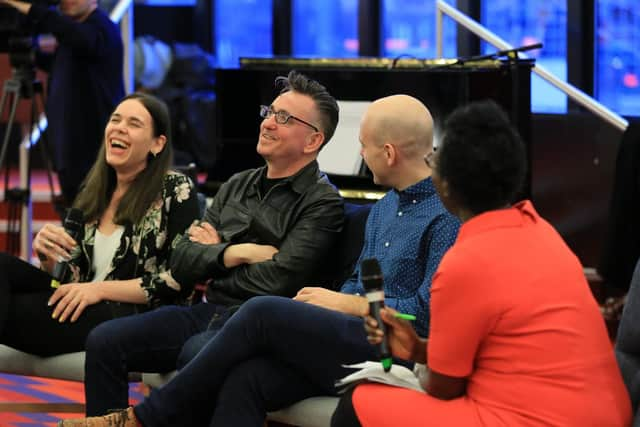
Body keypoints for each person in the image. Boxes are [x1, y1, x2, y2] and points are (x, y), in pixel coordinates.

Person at [59, 94, 460, 427]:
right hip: (340, 333)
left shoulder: (446, 215)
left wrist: (348, 303)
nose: (359, 153)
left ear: (388, 153)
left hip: (398, 351)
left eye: (364, 146)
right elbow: (184, 258)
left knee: (262, 311)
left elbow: (428, 315)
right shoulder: (385, 207)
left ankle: (144, 420)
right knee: (245, 379)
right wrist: (237, 255)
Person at [331, 100, 632, 427]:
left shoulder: (463, 261)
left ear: (446, 184)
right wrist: (418, 349)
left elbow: (443, 388)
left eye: (435, 160)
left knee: (359, 403)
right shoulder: (542, 230)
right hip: (606, 412)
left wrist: (416, 356)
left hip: (535, 418)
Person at [72, 70, 346, 417]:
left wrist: (211, 257)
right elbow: (182, 259)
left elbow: (278, 282)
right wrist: (234, 254)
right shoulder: (237, 183)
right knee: (105, 340)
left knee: (196, 352)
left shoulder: (322, 203)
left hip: (253, 327)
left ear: (312, 141)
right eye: (269, 112)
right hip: (206, 309)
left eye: (284, 118)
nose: (268, 123)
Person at [0, 92, 200, 360]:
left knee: (15, 311)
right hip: (83, 304)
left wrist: (98, 289)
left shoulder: (175, 189)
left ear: (157, 144)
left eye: (134, 123)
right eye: (115, 119)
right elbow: (73, 278)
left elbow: (178, 279)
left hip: (132, 315)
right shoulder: (94, 191)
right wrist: (48, 259)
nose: (119, 127)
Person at [0, 0, 124, 205]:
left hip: (94, 152)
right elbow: (64, 66)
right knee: (74, 218)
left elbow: (82, 40)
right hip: (68, 148)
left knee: (94, 218)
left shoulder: (102, 27)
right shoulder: (70, 38)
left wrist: (34, 10)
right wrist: (31, 52)